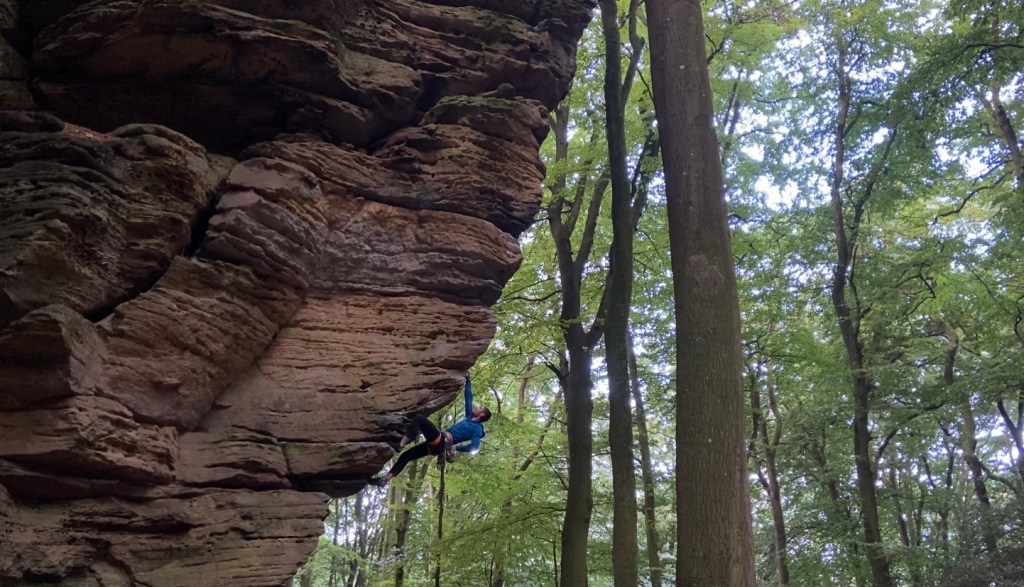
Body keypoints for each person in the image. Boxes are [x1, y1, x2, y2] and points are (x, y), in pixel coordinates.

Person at [367, 375, 490, 487]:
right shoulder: (469, 417)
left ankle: (400, 444)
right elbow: (468, 398)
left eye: (480, 408)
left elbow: (474, 447)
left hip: (443, 441)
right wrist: (468, 382)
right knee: (406, 456)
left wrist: (456, 448)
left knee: (419, 419)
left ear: (481, 414)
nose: (476, 407)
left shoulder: (477, 429)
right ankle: (385, 479)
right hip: (437, 447)